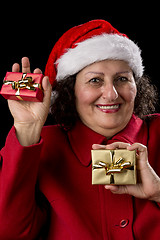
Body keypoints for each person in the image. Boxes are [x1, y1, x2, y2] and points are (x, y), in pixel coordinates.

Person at [0, 19, 160, 240]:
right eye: (95, 80)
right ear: (70, 91)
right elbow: (11, 233)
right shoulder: (44, 144)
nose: (111, 94)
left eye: (122, 79)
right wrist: (26, 129)